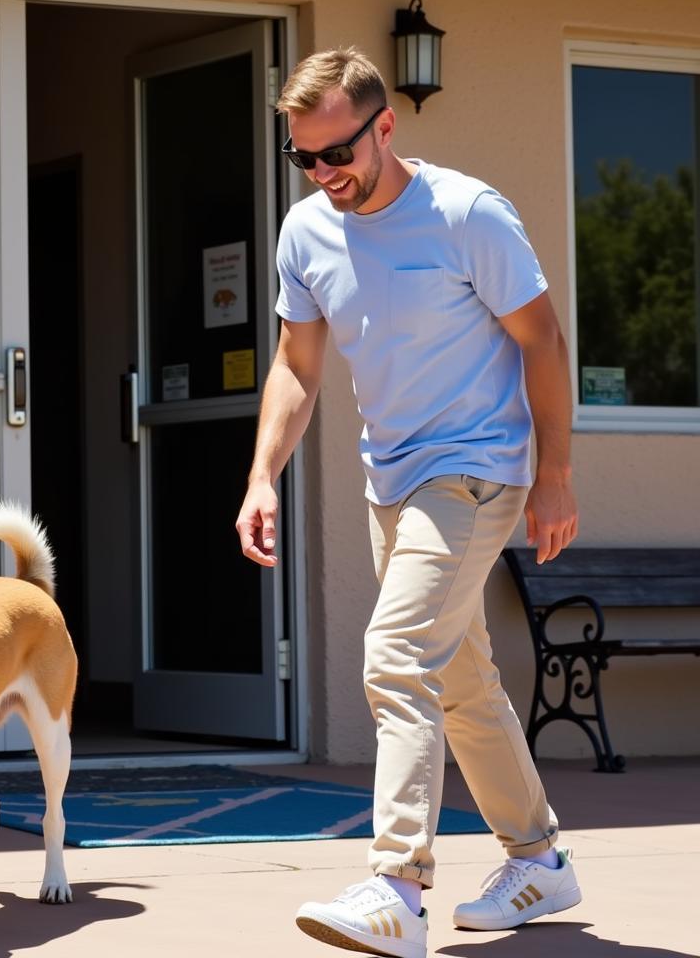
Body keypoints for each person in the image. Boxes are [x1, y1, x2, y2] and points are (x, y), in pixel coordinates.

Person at [235, 47, 581, 958]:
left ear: (386, 126)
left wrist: (555, 476)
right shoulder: (306, 231)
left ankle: (396, 885)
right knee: (459, 679)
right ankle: (539, 858)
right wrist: (261, 475)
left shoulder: (468, 214)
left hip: (475, 471)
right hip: (391, 478)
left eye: (337, 153)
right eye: (303, 158)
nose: (323, 174)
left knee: (395, 656)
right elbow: (296, 367)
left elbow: (542, 341)